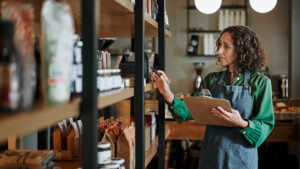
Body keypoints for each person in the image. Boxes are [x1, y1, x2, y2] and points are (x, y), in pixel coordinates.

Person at [150, 25, 274, 169]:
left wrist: (241, 122)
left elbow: (264, 127)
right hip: (211, 158)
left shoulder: (260, 83)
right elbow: (186, 112)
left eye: (226, 46)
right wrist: (167, 92)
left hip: (242, 160)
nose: (219, 51)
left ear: (242, 50)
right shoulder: (211, 80)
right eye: (219, 45)